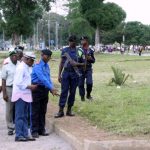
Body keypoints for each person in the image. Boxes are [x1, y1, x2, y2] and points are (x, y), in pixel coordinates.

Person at [31, 49, 58, 138]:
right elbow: (42, 78)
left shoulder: (47, 66)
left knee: (43, 110)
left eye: (50, 56)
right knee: (35, 110)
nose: (49, 58)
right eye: (48, 56)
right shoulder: (38, 65)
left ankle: (41, 129)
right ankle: (34, 131)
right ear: (43, 55)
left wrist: (51, 88)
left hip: (44, 89)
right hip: (37, 89)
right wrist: (51, 87)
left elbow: (48, 78)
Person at [55, 35, 84, 118]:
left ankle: (69, 110)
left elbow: (84, 64)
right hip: (66, 73)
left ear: (76, 42)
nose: (71, 43)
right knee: (64, 91)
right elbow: (61, 63)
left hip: (75, 74)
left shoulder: (79, 51)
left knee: (72, 92)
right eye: (70, 41)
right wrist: (59, 74)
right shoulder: (64, 50)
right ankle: (60, 111)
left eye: (73, 41)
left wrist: (76, 64)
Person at [11, 52, 37, 142]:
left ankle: (25, 134)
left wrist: (30, 86)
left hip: (25, 94)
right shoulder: (21, 68)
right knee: (20, 116)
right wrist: (30, 86)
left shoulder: (27, 67)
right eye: (32, 60)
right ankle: (19, 135)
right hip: (20, 95)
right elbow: (18, 82)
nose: (32, 62)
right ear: (27, 59)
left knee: (25, 116)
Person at [1, 49, 19, 135]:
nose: (15, 57)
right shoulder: (6, 65)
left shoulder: (20, 65)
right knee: (10, 109)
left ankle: (17, 125)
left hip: (18, 89)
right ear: (10, 57)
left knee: (18, 107)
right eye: (13, 56)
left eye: (16, 55)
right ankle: (10, 127)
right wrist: (4, 93)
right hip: (9, 89)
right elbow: (3, 80)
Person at [78, 36, 95, 101]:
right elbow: (77, 59)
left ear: (87, 41)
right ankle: (82, 97)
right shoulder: (79, 50)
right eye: (81, 40)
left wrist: (90, 59)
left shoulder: (90, 50)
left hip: (88, 69)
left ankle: (88, 95)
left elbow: (93, 61)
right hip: (80, 69)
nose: (82, 41)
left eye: (83, 40)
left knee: (89, 83)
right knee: (80, 84)